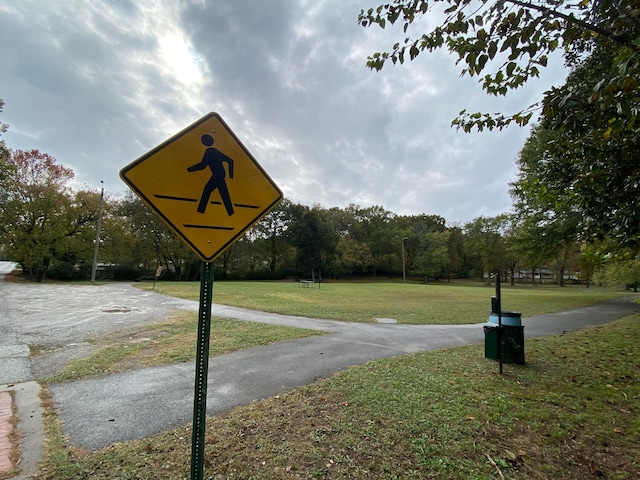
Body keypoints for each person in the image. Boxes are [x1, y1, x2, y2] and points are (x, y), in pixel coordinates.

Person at [187, 134, 235, 215]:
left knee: (207, 190)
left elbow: (202, 166)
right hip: (220, 175)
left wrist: (188, 170)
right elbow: (230, 161)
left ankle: (200, 212)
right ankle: (231, 213)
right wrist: (230, 176)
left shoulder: (210, 151)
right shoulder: (213, 151)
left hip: (218, 175)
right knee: (224, 193)